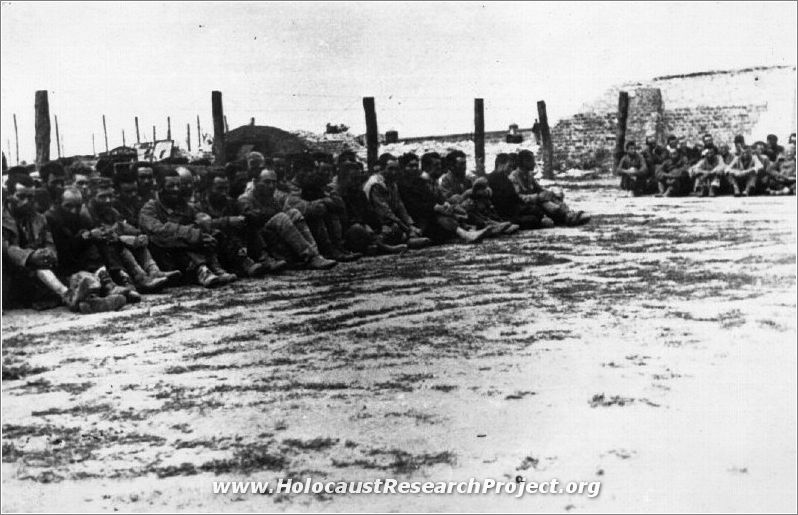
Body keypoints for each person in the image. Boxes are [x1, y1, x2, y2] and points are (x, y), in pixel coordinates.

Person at [3, 173, 125, 313]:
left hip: (41, 274)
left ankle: (91, 301)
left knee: (74, 276)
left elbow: (49, 242)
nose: (26, 202)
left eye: (30, 197)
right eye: (21, 197)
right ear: (9, 196)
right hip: (13, 275)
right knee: (41, 268)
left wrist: (49, 253)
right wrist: (30, 256)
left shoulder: (39, 218)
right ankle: (72, 297)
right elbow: (5, 248)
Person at [139, 168, 237, 288]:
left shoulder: (185, 207)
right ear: (160, 188)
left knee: (208, 234)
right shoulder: (150, 208)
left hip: (185, 259)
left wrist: (202, 232)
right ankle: (203, 269)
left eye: (178, 185)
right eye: (171, 186)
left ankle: (213, 267)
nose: (176, 189)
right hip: (165, 258)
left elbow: (200, 224)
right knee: (179, 239)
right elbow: (159, 231)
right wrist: (195, 235)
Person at [81, 177, 172, 295]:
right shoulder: (86, 214)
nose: (108, 200)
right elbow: (101, 235)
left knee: (136, 241)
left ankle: (153, 271)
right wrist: (123, 238)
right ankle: (138, 279)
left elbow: (124, 227)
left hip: (114, 251)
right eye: (102, 197)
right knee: (121, 246)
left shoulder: (112, 211)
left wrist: (137, 235)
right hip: (100, 258)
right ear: (91, 197)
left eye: (110, 196)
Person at [238, 167, 337, 270]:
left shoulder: (272, 199)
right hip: (260, 242)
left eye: (274, 182)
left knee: (294, 213)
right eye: (267, 182)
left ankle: (315, 255)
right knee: (281, 217)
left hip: (276, 237)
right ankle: (309, 256)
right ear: (255, 182)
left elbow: (283, 210)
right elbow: (252, 218)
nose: (271, 186)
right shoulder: (245, 199)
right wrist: (273, 213)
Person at [197, 168, 285, 276]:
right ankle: (244, 263)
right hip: (214, 247)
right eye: (219, 189)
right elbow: (202, 225)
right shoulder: (199, 205)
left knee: (248, 222)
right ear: (208, 188)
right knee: (219, 233)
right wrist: (228, 221)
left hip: (235, 245)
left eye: (226, 188)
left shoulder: (230, 203)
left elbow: (248, 216)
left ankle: (263, 257)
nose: (224, 193)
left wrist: (244, 217)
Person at [397, 152, 490, 244]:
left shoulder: (423, 181)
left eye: (416, 166)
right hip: (417, 220)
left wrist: (445, 204)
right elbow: (413, 205)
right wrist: (437, 207)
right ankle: (466, 233)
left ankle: (473, 230)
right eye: (411, 166)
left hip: (426, 216)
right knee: (440, 216)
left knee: (453, 211)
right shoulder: (403, 184)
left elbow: (436, 198)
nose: (414, 169)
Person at [284, 155, 361, 262]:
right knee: (318, 211)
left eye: (311, 171)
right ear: (296, 172)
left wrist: (327, 200)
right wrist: (323, 201)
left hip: (311, 228)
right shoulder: (289, 188)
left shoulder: (312, 186)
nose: (309, 174)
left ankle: (337, 247)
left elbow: (339, 204)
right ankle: (329, 250)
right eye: (305, 170)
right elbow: (300, 207)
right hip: (295, 229)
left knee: (329, 209)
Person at [364, 153, 430, 248]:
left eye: (396, 169)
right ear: (382, 169)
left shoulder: (392, 183)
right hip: (378, 222)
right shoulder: (376, 184)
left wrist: (410, 224)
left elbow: (400, 205)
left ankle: (408, 238)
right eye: (390, 169)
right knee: (392, 228)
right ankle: (403, 241)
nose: (394, 172)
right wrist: (408, 228)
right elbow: (385, 213)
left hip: (390, 220)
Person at [508, 150, 590, 226]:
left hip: (535, 203)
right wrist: (537, 197)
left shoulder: (529, 175)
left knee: (550, 195)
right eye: (532, 160)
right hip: (525, 207)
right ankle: (568, 218)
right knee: (548, 205)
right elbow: (518, 197)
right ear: (525, 162)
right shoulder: (514, 177)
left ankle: (569, 214)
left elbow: (539, 189)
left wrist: (550, 194)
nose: (534, 163)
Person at [487, 153, 546, 229]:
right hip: (503, 214)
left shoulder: (505, 179)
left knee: (536, 211)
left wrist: (526, 207)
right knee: (533, 219)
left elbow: (515, 198)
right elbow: (501, 202)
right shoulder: (491, 179)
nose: (511, 169)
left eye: (511, 167)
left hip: (513, 210)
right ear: (500, 164)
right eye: (509, 166)